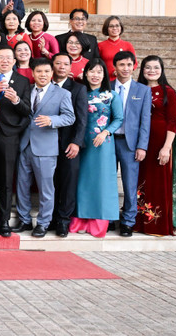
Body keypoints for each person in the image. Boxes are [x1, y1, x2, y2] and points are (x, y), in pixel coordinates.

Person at [12, 58, 75, 237]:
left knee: (46, 189)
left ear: (52, 73)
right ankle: (24, 220)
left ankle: (43, 223)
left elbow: (70, 117)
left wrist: (52, 120)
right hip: (25, 145)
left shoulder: (62, 94)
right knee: (22, 186)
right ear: (33, 73)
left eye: (46, 71)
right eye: (39, 71)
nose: (43, 75)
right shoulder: (27, 90)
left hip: (46, 148)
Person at [70, 59, 123, 238]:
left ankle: (99, 222)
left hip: (102, 144)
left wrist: (105, 132)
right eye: (91, 71)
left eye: (99, 72)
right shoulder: (80, 92)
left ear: (104, 74)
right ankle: (81, 220)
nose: (95, 75)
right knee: (82, 182)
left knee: (101, 183)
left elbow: (119, 119)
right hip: (81, 143)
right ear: (85, 73)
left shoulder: (111, 95)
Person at [0, 46, 31, 237]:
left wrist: (17, 100)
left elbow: (27, 110)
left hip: (9, 135)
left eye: (8, 58)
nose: (4, 61)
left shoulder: (22, 81)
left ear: (14, 61)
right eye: (0, 58)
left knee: (5, 180)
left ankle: (3, 221)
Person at [134, 56, 176, 236]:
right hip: (139, 142)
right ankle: (139, 223)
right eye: (147, 67)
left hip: (160, 142)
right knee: (139, 181)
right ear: (142, 70)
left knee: (158, 183)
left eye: (156, 67)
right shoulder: (137, 89)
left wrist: (166, 147)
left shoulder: (168, 91)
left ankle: (157, 224)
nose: (152, 71)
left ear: (162, 70)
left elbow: (173, 121)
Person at [111, 50, 152, 237]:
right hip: (109, 143)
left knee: (129, 184)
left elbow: (145, 121)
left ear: (134, 67)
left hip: (131, 144)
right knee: (108, 181)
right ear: (115, 67)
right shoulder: (108, 87)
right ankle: (110, 217)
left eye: (129, 65)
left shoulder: (143, 90)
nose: (125, 68)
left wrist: (142, 146)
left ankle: (128, 221)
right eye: (121, 65)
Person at [51, 52, 89, 238]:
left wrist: (76, 142)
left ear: (70, 67)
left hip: (69, 145)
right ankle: (50, 218)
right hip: (47, 144)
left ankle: (63, 221)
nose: (62, 67)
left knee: (67, 184)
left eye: (66, 64)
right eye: (58, 63)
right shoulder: (45, 86)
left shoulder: (78, 89)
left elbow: (82, 120)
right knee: (50, 183)